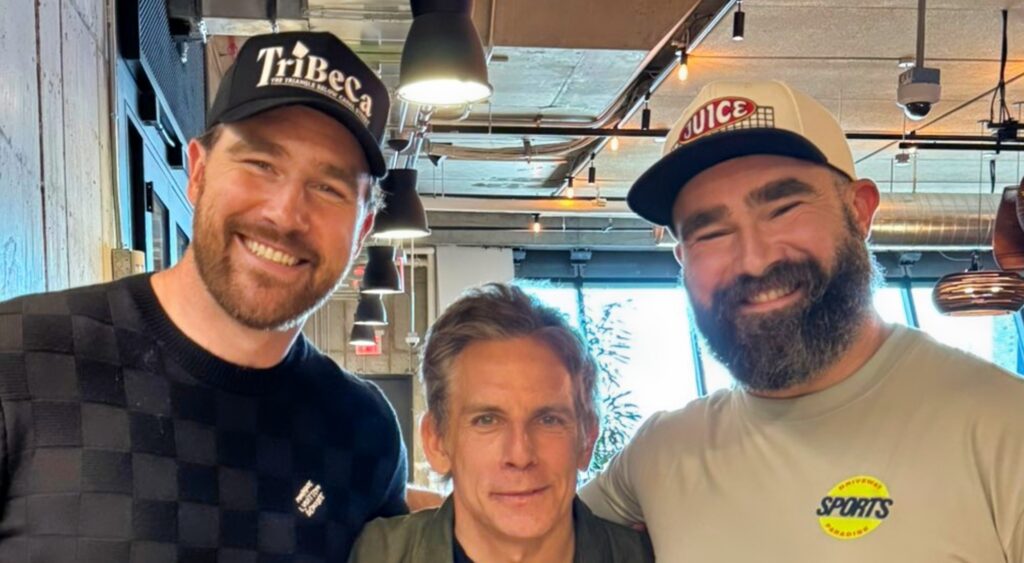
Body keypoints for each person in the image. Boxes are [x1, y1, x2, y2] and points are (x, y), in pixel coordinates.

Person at [0, 31, 407, 561]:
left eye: (329, 188)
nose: (285, 214)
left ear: (363, 230)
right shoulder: (20, 357)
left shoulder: (364, 433)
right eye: (260, 164)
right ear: (198, 171)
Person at [579, 79, 1024, 561]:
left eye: (783, 209)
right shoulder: (658, 456)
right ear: (683, 259)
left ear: (859, 211)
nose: (753, 260)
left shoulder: (1004, 428)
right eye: (710, 232)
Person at [349, 284, 654, 563]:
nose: (520, 455)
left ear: (587, 437)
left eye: (548, 420)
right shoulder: (367, 555)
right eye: (486, 420)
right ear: (436, 441)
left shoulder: (656, 556)